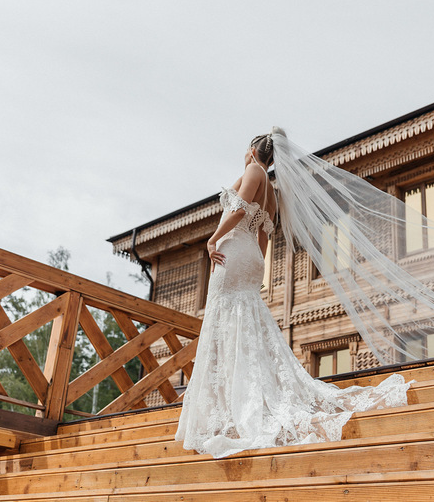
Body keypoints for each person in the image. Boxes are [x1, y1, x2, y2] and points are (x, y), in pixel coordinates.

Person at [175, 129, 413, 459]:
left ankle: (229, 407)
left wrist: (213, 239)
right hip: (251, 258)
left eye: (246, 150)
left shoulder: (253, 170)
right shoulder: (271, 191)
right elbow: (264, 234)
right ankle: (237, 402)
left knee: (223, 323)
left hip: (233, 252)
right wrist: (256, 270)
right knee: (244, 325)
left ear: (253, 150)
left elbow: (239, 210)